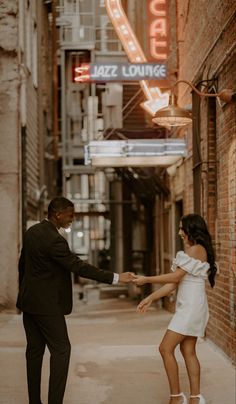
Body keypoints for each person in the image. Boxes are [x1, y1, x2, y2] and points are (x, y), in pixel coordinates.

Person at [17, 197, 134, 404]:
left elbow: (22, 266)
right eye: (70, 215)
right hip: (48, 306)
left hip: (29, 303)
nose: (73, 219)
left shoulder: (31, 233)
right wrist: (115, 277)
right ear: (58, 214)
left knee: (34, 352)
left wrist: (26, 292)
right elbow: (78, 266)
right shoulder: (54, 239)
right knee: (62, 350)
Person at [133, 214, 217, 404]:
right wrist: (150, 298)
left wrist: (147, 279)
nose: (179, 232)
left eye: (182, 228)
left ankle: (177, 397)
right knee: (188, 351)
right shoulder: (193, 251)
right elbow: (173, 285)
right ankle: (195, 398)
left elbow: (174, 278)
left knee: (165, 348)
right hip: (190, 305)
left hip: (191, 307)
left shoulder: (196, 249)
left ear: (191, 229)